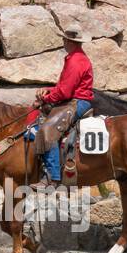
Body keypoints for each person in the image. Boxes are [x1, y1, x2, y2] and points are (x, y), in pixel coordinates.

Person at [32, 26, 94, 186]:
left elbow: (65, 92)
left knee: (47, 130)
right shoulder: (75, 58)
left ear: (68, 41)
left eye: (64, 39)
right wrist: (48, 91)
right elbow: (63, 87)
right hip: (74, 99)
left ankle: (53, 176)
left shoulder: (75, 61)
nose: (63, 42)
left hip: (77, 102)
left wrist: (45, 100)